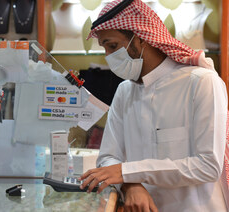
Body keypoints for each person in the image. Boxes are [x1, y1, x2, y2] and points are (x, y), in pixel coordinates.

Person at [78, 0, 228, 211]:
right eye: (105, 49)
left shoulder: (201, 82)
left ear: (141, 39)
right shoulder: (124, 91)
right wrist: (130, 185)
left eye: (113, 46)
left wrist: (127, 172)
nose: (108, 57)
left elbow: (208, 166)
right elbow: (108, 157)